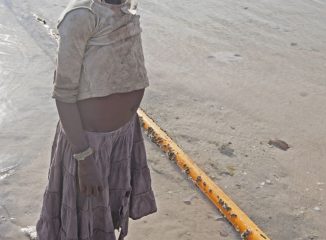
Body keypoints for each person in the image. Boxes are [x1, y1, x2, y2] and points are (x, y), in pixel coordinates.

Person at [35, 0, 157, 239]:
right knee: (82, 219)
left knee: (105, 210)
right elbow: (63, 94)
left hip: (123, 135)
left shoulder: (127, 6)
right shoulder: (81, 16)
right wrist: (84, 158)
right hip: (88, 143)